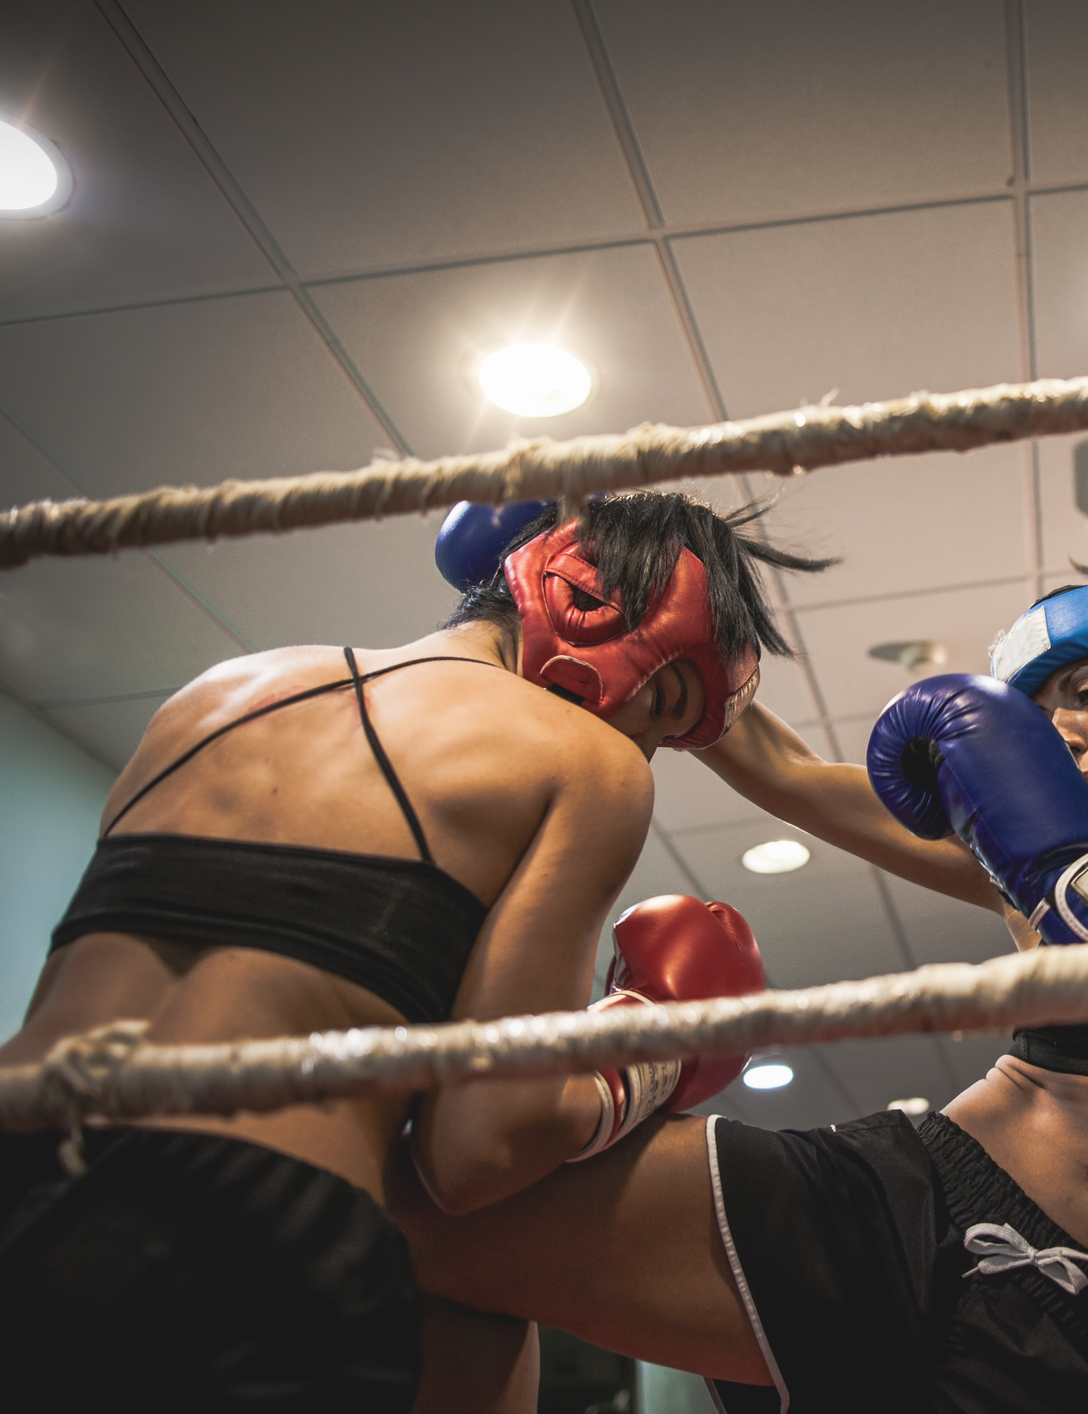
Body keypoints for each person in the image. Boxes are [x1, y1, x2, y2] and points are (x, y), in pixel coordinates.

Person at [394, 403, 1088, 1412]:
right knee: (431, 1212)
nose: (1058, 736)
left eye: (1082, 692)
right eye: (1033, 719)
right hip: (900, 1201)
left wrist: (1058, 867)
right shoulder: (1025, 863)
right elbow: (796, 776)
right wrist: (620, 584)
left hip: (1087, 1326)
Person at [0, 491, 824, 1412]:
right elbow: (476, 1153)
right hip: (237, 1225)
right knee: (478, 1288)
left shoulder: (215, 692)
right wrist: (657, 1045)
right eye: (660, 709)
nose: (644, 746)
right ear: (587, 607)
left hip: (20, 1157)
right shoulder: (586, 765)